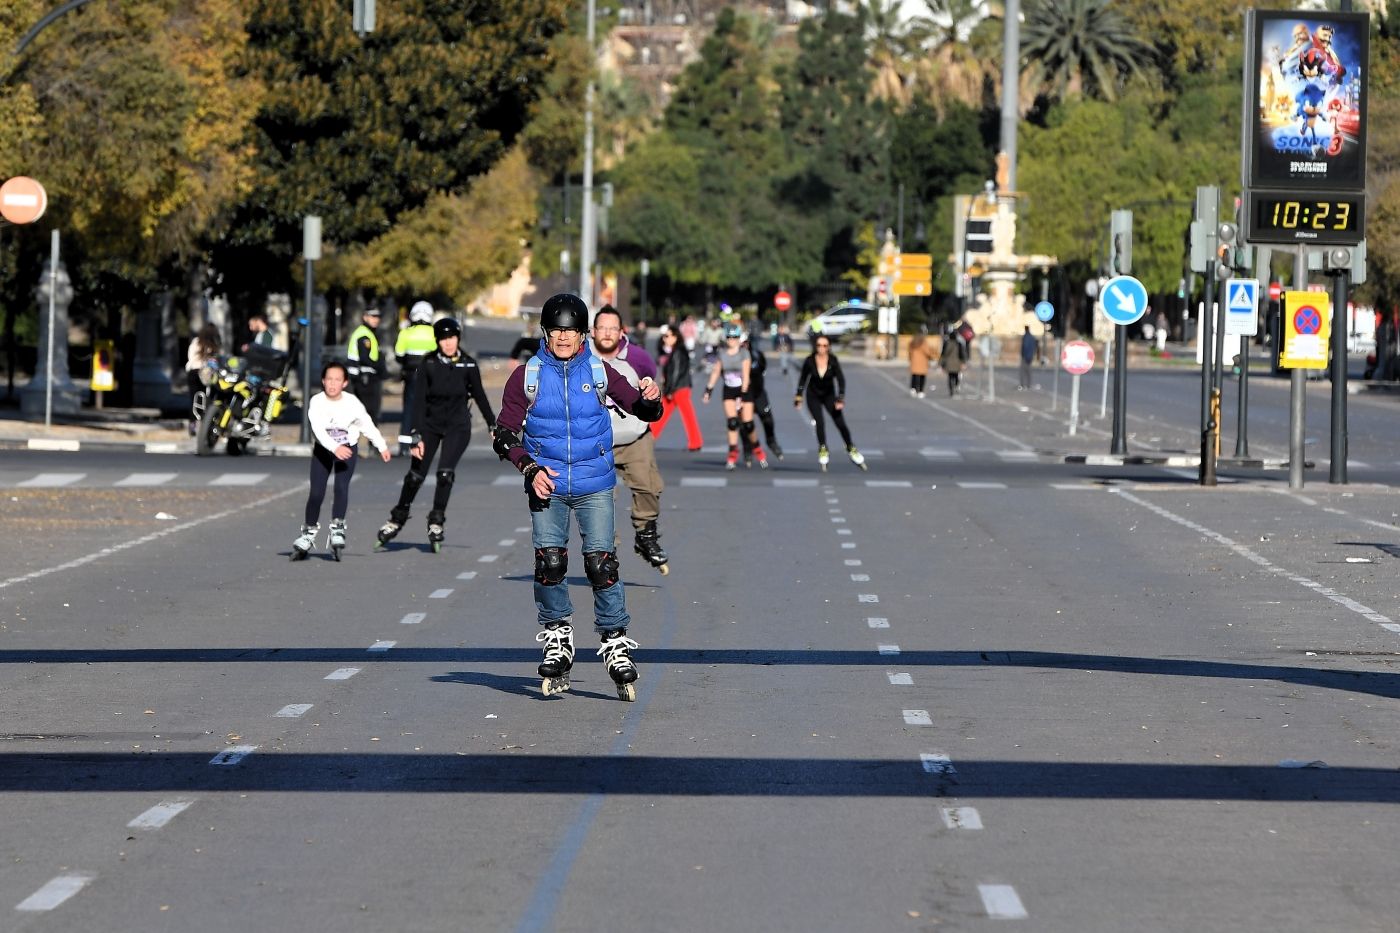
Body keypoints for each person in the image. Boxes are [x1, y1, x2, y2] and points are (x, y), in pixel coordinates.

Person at [492, 293, 663, 700]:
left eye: (570, 330)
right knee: (549, 563)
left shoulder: (599, 371)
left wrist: (651, 400)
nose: (564, 337)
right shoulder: (526, 375)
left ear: (583, 334)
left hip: (594, 484)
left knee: (601, 563)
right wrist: (529, 469)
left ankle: (615, 641)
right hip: (545, 483)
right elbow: (503, 435)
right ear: (545, 333)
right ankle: (557, 637)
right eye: (557, 331)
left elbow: (641, 409)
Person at [375, 317, 496, 552]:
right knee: (415, 476)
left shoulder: (468, 365)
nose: (448, 343)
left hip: (457, 426)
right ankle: (397, 517)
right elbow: (418, 401)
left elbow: (480, 396)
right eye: (443, 339)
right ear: (437, 341)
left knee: (445, 474)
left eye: (451, 338)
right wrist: (415, 434)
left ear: (458, 339)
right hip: (430, 425)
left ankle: (436, 521)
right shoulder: (428, 364)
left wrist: (493, 425)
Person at [590, 306, 669, 574]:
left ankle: (646, 535)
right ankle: (605, 550)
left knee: (648, 487)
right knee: (600, 499)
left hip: (634, 436)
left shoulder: (638, 358)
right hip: (596, 441)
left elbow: (653, 385)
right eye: (602, 328)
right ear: (592, 331)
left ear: (622, 331)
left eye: (613, 328)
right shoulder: (581, 356)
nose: (607, 333)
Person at [292, 361, 392, 560]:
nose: (332, 384)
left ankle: (337, 527)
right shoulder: (317, 401)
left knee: (341, 487)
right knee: (316, 493)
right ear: (323, 381)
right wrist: (334, 447)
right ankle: (308, 532)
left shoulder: (352, 403)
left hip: (347, 449)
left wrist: (381, 446)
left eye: (337, 380)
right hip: (324, 450)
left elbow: (367, 425)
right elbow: (318, 430)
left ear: (344, 383)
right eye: (329, 379)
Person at [795, 335, 866, 472]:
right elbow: (803, 379)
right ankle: (823, 448)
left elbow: (841, 380)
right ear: (815, 347)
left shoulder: (833, 361)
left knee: (840, 423)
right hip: (813, 396)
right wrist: (798, 397)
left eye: (825, 346)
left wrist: (840, 398)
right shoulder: (809, 361)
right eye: (819, 346)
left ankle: (851, 447)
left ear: (829, 347)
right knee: (820, 422)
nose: (822, 348)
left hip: (829, 396)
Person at [703, 323, 769, 470]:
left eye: (735, 337)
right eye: (730, 337)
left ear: (739, 338)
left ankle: (757, 448)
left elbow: (746, 375)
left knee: (748, 424)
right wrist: (708, 390)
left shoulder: (744, 353)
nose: (732, 340)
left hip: (744, 389)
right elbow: (716, 372)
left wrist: (742, 395)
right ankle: (732, 453)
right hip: (729, 389)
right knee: (732, 423)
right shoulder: (722, 353)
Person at [394, 301, 438, 455]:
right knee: (427, 410)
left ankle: (404, 447)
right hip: (430, 377)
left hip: (411, 375)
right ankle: (424, 444)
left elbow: (399, 357)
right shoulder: (435, 333)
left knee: (409, 409)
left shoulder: (406, 333)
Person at [652, 325, 704, 452]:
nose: (665, 339)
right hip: (678, 387)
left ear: (676, 336)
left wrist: (670, 389)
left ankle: (695, 442)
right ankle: (649, 438)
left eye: (668, 336)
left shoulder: (678, 351)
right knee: (662, 414)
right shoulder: (676, 350)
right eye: (664, 336)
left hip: (678, 388)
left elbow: (676, 372)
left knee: (685, 416)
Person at [743, 330, 783, 459]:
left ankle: (771, 441)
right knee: (744, 423)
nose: (742, 347)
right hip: (742, 395)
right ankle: (747, 447)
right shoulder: (732, 357)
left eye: (745, 344)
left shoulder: (757, 355)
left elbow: (762, 369)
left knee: (767, 418)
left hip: (758, 392)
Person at [346, 308, 386, 423]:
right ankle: (371, 440)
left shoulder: (368, 333)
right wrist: (379, 366)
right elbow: (365, 358)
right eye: (372, 316)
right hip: (365, 378)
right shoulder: (364, 334)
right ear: (365, 317)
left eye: (377, 317)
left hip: (363, 378)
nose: (376, 319)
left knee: (364, 413)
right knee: (370, 413)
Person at [185, 323, 222, 433]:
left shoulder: (196, 342)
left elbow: (190, 357)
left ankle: (193, 423)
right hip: (206, 374)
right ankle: (207, 421)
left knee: (194, 398)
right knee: (208, 398)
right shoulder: (213, 345)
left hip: (193, 372)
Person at [939, 326, 967, 397]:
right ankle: (956, 385)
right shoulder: (959, 344)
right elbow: (962, 354)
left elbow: (943, 354)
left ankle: (951, 390)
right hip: (957, 363)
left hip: (949, 363)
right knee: (956, 376)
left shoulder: (946, 344)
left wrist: (941, 364)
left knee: (950, 377)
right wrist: (963, 362)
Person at [907, 332, 932, 398]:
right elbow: (927, 352)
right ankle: (921, 391)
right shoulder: (923, 342)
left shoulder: (912, 342)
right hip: (922, 361)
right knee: (922, 377)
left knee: (914, 375)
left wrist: (910, 358)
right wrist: (930, 356)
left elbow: (910, 351)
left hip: (914, 360)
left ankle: (913, 388)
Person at [1018, 325, 1039, 390]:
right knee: (1028, 372)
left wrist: (1025, 355)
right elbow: (1035, 347)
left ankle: (1023, 385)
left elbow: (1025, 347)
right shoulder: (1032, 337)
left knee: (1023, 371)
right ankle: (1028, 385)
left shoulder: (1026, 337)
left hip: (1025, 357)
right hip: (1030, 357)